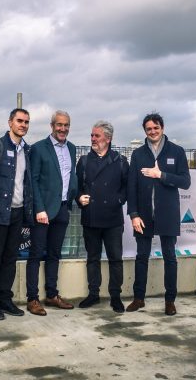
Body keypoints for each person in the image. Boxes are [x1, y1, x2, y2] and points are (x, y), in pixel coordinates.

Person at [126, 113, 191, 316]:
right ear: (145, 131)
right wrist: (134, 214)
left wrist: (160, 175)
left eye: (156, 128)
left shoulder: (177, 152)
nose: (152, 132)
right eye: (148, 129)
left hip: (168, 214)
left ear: (162, 127)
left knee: (170, 257)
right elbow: (132, 187)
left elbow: (185, 182)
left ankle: (170, 300)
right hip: (144, 215)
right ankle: (139, 298)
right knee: (141, 257)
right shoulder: (138, 154)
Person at [0, 108, 33, 320]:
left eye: (26, 122)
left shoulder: (27, 150)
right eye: (19, 121)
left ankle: (5, 298)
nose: (23, 125)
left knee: (10, 258)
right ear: (10, 122)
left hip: (18, 212)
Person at [26, 110, 78, 316]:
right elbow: (34, 181)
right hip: (43, 212)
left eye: (66, 125)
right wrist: (39, 208)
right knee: (36, 254)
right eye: (59, 125)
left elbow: (69, 177)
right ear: (52, 126)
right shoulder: (39, 148)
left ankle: (52, 294)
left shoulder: (72, 148)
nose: (63, 129)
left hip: (63, 209)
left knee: (54, 254)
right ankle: (32, 299)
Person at [76, 120, 129, 312]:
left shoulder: (121, 161)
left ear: (108, 138)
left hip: (113, 219)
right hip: (91, 217)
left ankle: (116, 296)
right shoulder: (83, 161)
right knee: (93, 258)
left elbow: (126, 188)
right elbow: (77, 188)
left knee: (115, 259)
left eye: (96, 136)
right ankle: (93, 294)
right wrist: (79, 198)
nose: (92, 139)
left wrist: (118, 201)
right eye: (92, 135)